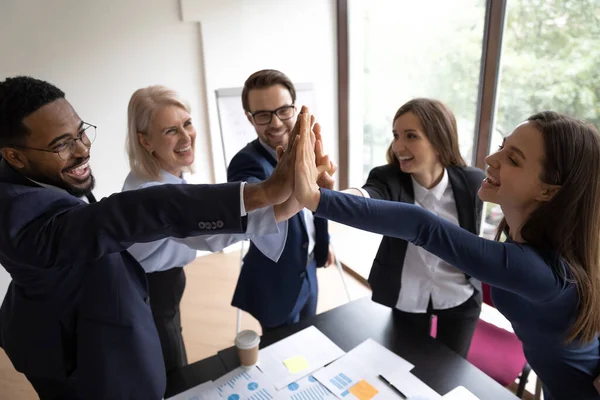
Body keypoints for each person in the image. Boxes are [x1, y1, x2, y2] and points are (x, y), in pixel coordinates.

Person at [0, 76, 299, 400]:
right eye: (62, 144)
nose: (84, 149)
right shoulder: (18, 217)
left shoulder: (34, 174)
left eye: (82, 132)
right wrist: (261, 196)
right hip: (80, 351)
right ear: (14, 156)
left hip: (99, 309)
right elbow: (132, 213)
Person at [294, 109, 600, 400]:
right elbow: (378, 196)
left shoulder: (542, 270)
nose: (491, 159)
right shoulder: (536, 239)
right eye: (501, 148)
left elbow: (420, 225)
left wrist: (315, 198)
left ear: (549, 191)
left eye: (513, 160)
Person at [122, 85, 292, 374]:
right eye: (170, 131)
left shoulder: (163, 173)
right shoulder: (149, 191)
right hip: (149, 290)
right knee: (170, 368)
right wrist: (289, 196)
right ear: (145, 141)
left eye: (187, 123)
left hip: (164, 282)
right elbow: (211, 232)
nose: (186, 136)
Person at [345, 99, 484, 357]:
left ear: (440, 140)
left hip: (459, 295)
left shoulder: (472, 182)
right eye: (396, 135)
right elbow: (367, 195)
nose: (398, 146)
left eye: (411, 136)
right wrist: (339, 197)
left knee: (448, 373)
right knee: (403, 367)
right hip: (407, 294)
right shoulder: (387, 177)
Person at [227, 69, 333, 332]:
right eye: (263, 115)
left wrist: (320, 243)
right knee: (282, 358)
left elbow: (314, 206)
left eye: (283, 110)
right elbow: (258, 206)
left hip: (308, 269)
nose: (275, 123)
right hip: (276, 282)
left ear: (295, 110)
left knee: (308, 339)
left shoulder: (307, 151)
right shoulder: (246, 162)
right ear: (249, 118)